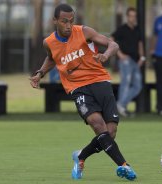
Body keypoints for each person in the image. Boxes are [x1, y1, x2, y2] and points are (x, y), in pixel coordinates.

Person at [29, 4, 136, 181]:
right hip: (77, 88)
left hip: (100, 81)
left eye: (71, 21)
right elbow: (52, 57)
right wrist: (40, 73)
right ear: (55, 21)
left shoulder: (84, 32)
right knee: (97, 124)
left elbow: (112, 44)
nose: (69, 25)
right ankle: (124, 165)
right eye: (64, 21)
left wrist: (106, 55)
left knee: (110, 132)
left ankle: (80, 157)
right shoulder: (48, 42)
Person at [111, 7, 145, 117]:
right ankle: (121, 107)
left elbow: (140, 44)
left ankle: (120, 105)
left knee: (137, 86)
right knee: (125, 83)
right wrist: (119, 54)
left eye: (134, 16)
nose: (132, 18)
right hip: (125, 60)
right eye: (130, 16)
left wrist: (142, 57)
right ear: (127, 16)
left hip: (136, 61)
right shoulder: (122, 29)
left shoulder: (137, 29)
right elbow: (111, 39)